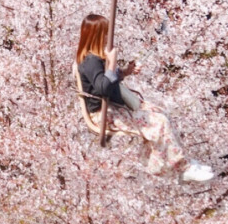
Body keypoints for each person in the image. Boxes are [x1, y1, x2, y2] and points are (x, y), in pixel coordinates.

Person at [75, 14, 214, 183]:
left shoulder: (96, 59)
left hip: (115, 108)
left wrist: (124, 72)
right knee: (159, 122)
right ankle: (181, 168)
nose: (107, 38)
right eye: (105, 34)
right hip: (105, 114)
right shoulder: (90, 60)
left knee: (160, 113)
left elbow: (107, 81)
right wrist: (112, 63)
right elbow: (103, 87)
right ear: (96, 35)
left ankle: (175, 163)